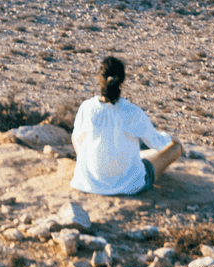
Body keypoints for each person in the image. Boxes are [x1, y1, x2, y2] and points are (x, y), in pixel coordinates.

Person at [70, 55, 181, 196]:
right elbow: (158, 144)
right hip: (129, 186)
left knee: (83, 137)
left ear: (100, 78)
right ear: (122, 80)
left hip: (87, 183)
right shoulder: (132, 112)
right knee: (175, 148)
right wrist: (171, 138)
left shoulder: (87, 107)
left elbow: (76, 139)